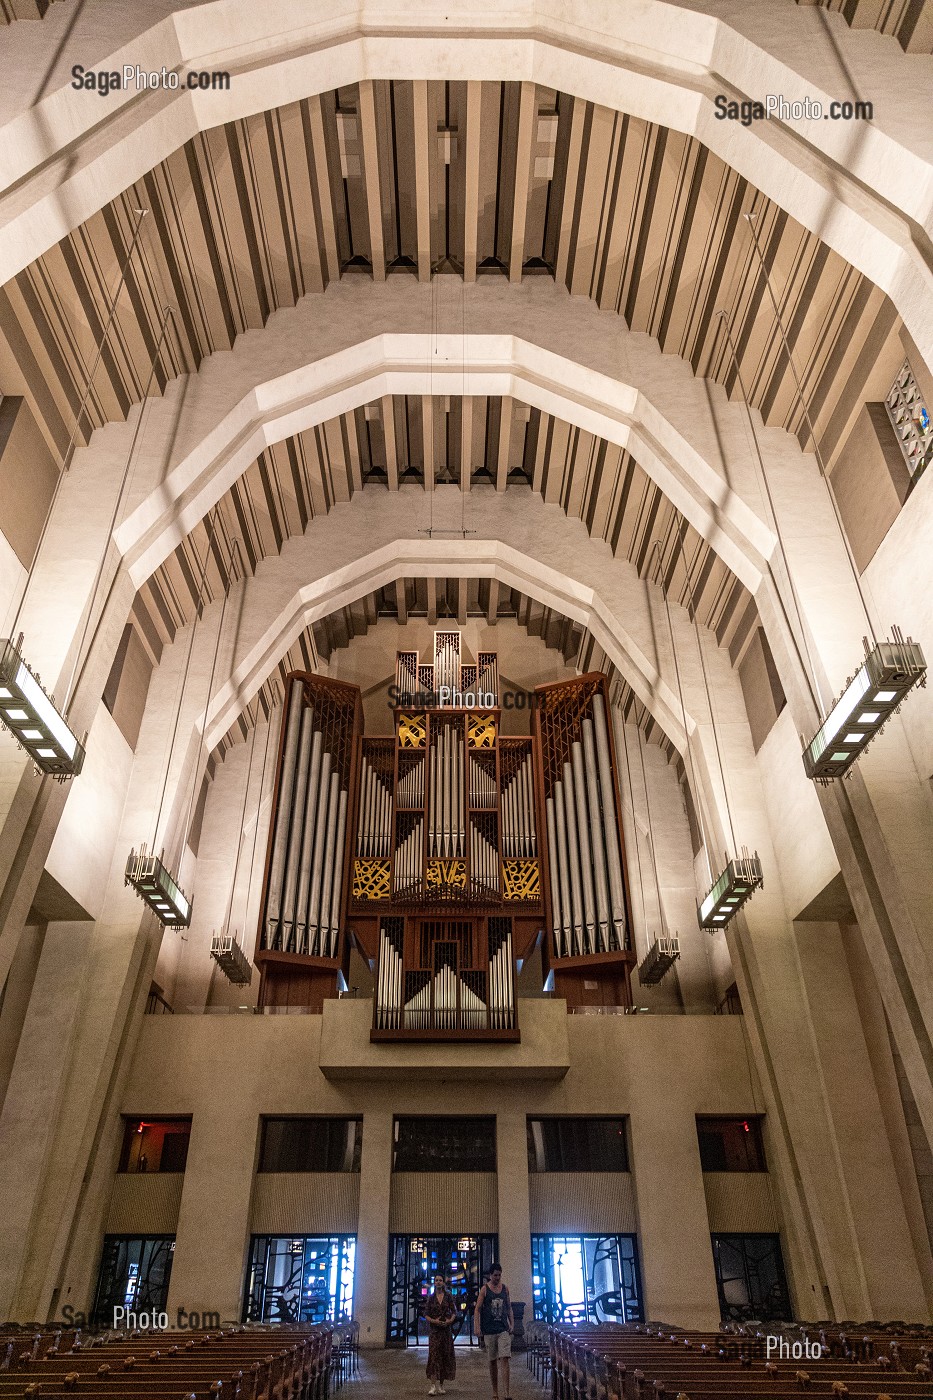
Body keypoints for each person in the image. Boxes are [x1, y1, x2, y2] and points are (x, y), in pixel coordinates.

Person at [473, 1262, 513, 1400]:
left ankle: (507, 1392)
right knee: (492, 1360)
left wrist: (511, 1323)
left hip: (502, 1329)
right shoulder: (485, 1290)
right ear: (490, 1275)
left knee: (505, 1357)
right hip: (489, 1329)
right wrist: (477, 1326)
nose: (497, 1278)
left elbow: (508, 1307)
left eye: (499, 1275)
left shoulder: (505, 1289)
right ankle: (495, 1391)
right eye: (495, 1275)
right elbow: (477, 1309)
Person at [424, 1272, 458, 1395]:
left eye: (440, 1280)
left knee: (444, 1356)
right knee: (433, 1356)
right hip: (434, 1331)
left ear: (443, 1282)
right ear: (434, 1282)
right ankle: (433, 1385)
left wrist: (449, 1321)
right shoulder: (431, 1298)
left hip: (445, 1331)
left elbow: (454, 1311)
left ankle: (441, 1385)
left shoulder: (448, 1296)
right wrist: (434, 1321)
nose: (438, 1282)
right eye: (436, 1280)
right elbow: (426, 1314)